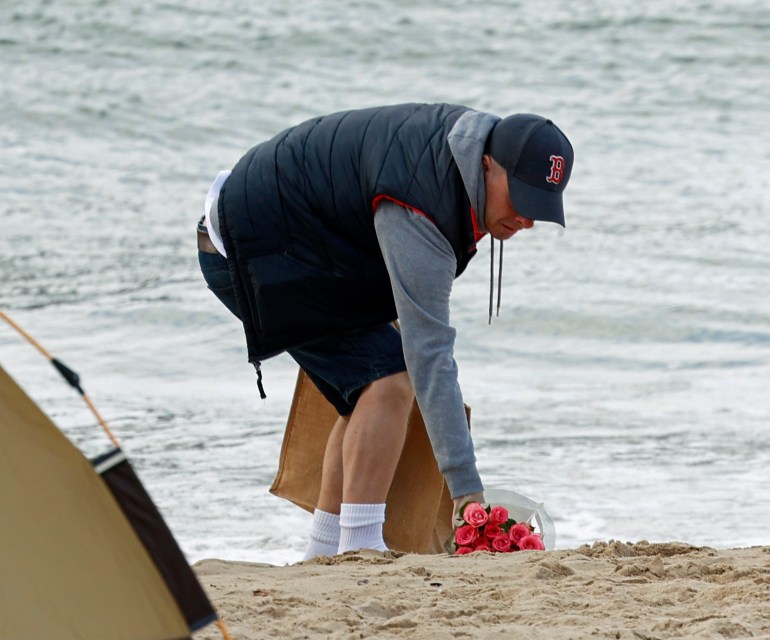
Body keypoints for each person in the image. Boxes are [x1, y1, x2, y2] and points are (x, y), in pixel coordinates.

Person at [196, 103, 573, 557]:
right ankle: (361, 546)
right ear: (489, 166)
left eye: (540, 207)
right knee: (390, 377)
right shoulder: (423, 202)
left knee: (372, 379)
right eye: (522, 199)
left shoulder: (463, 157)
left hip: (302, 240)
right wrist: (467, 491)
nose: (527, 220)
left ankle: (325, 547)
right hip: (250, 245)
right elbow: (429, 353)